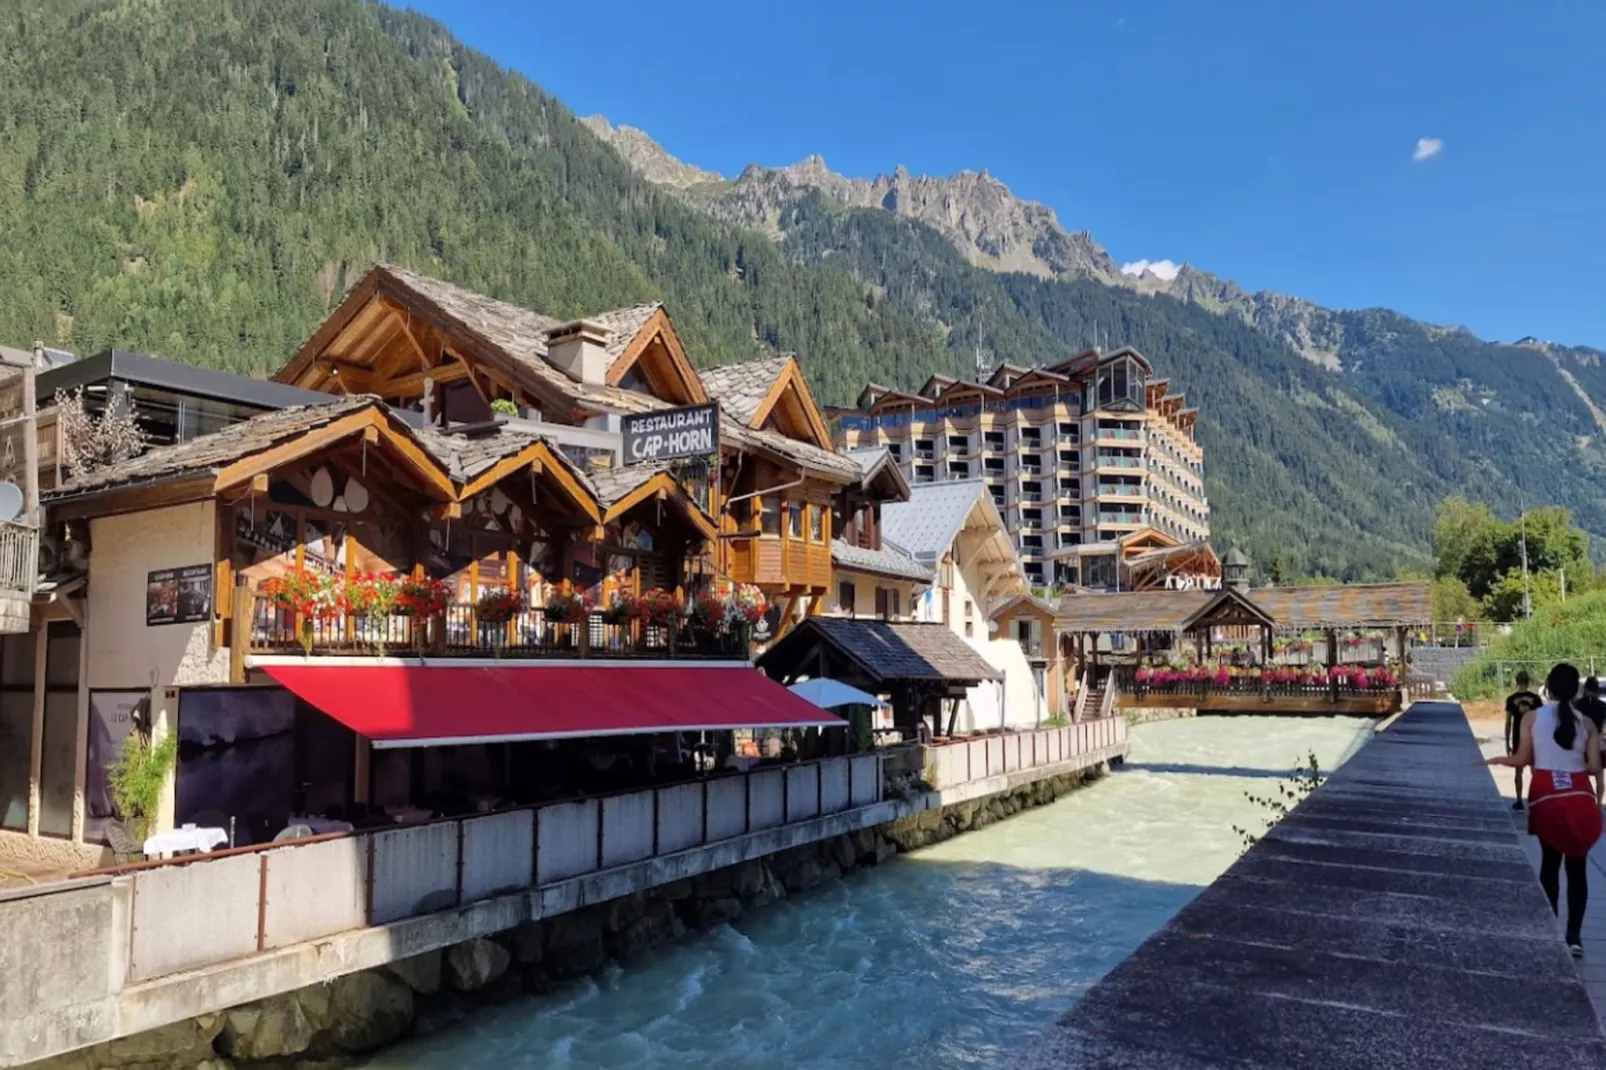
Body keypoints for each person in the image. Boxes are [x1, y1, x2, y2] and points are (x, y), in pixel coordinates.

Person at [1485, 663, 1604, 956]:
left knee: (1549, 866)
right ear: (1575, 690)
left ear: (1547, 688)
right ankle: (1574, 937)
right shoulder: (1586, 724)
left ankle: (1549, 929)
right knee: (1578, 872)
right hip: (1578, 798)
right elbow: (1592, 767)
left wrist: (1497, 760)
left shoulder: (1530, 718)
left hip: (1546, 796)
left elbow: (1522, 758)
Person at [1505, 672, 1543, 810]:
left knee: (1518, 771)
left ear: (1517, 682)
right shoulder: (1536, 699)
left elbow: (1509, 722)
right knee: (1535, 771)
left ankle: (1519, 800)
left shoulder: (1511, 699)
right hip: (1533, 738)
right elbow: (1541, 720)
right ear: (1528, 682)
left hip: (1517, 738)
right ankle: (1536, 800)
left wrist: (1507, 742)